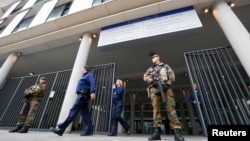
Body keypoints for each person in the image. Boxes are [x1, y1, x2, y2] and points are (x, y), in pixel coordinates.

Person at [143, 52, 185, 141]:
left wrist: (168, 84)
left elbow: (172, 76)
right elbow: (145, 77)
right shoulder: (150, 69)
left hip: (166, 90)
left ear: (158, 57)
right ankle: (156, 132)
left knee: (171, 110)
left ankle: (177, 132)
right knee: (156, 110)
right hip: (155, 90)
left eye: (153, 57)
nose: (152, 59)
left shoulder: (165, 66)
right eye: (152, 58)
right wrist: (152, 81)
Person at [51, 65, 96, 136]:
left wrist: (92, 91)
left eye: (82, 69)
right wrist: (77, 92)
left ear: (85, 69)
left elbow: (92, 82)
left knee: (73, 111)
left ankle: (61, 128)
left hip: (83, 95)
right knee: (85, 114)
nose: (81, 70)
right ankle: (89, 131)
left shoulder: (89, 75)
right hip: (82, 95)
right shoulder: (83, 77)